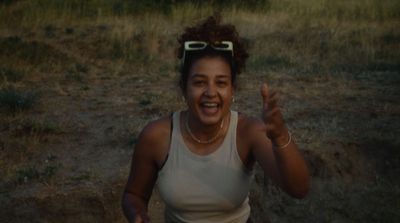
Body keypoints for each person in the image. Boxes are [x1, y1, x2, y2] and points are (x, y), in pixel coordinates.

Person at [122, 15, 310, 223]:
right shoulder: (157, 137)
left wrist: (280, 135)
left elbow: (299, 189)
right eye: (199, 82)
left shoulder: (248, 133)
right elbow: (134, 195)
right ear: (184, 88)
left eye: (221, 83)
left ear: (232, 90)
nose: (211, 92)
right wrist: (137, 215)